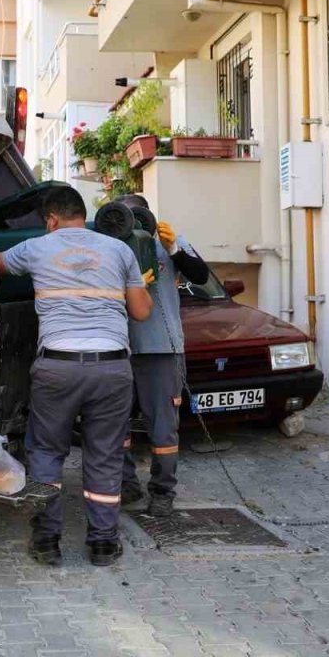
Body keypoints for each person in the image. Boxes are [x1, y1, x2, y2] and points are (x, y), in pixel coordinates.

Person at [0, 186, 152, 567]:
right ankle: (104, 544)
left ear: (50, 220)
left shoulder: (37, 247)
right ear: (81, 215)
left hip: (58, 368)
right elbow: (141, 312)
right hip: (111, 367)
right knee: (104, 455)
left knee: (47, 453)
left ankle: (47, 541)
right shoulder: (120, 250)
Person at [117, 194, 210, 517]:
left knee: (163, 429)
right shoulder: (110, 246)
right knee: (115, 426)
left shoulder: (169, 242)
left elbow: (200, 275)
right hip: (118, 350)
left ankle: (162, 492)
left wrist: (174, 250)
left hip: (161, 349)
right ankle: (126, 484)